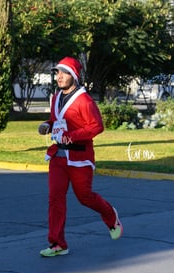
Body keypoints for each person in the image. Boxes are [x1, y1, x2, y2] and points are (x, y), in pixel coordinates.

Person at [38, 56, 123, 257]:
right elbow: (55, 120)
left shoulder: (84, 100)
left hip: (79, 158)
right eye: (57, 72)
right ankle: (58, 244)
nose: (59, 77)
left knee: (84, 197)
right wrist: (47, 125)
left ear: (74, 76)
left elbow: (97, 126)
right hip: (58, 156)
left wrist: (71, 136)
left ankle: (110, 215)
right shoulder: (56, 97)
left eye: (63, 72)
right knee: (55, 199)